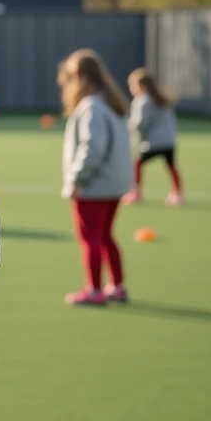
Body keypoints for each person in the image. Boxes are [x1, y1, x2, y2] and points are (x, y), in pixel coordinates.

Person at [58, 49, 134, 306]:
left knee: (89, 237)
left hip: (95, 184)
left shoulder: (91, 106)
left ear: (79, 77)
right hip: (115, 182)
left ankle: (93, 290)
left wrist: (76, 179)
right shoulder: (111, 101)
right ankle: (118, 286)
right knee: (105, 235)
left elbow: (92, 147)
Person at [123, 68, 182, 206]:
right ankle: (178, 193)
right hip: (168, 141)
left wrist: (127, 130)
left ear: (141, 85)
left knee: (137, 164)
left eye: (132, 85)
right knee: (171, 166)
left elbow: (139, 122)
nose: (131, 88)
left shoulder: (142, 100)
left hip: (152, 143)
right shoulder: (162, 98)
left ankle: (136, 192)